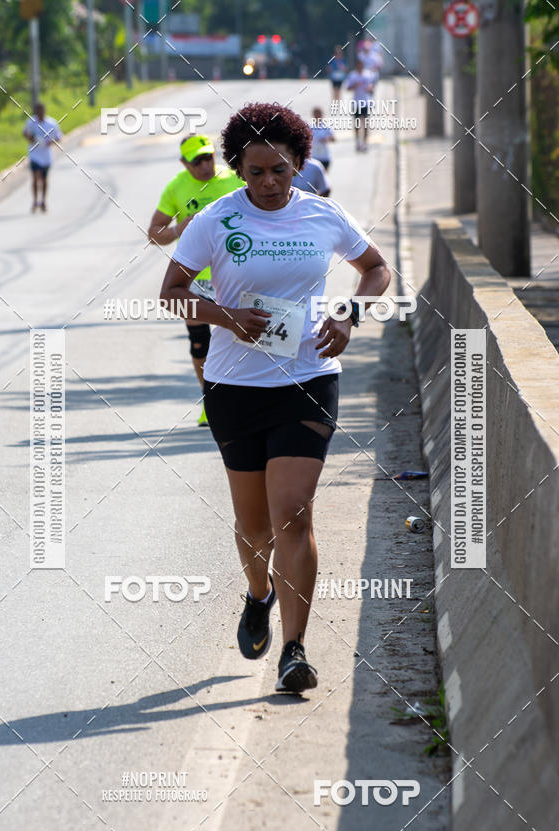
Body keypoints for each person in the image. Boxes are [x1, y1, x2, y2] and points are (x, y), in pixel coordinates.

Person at [160, 103, 391, 693]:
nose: (268, 183)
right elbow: (173, 293)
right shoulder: (214, 220)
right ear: (238, 167)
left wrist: (349, 313)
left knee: (293, 511)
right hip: (234, 386)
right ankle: (258, 593)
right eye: (256, 171)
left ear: (298, 166)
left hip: (308, 378)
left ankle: (294, 649)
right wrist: (228, 317)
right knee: (252, 522)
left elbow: (375, 268)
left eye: (280, 171)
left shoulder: (323, 214)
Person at [148, 134, 245, 425]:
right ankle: (211, 402)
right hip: (196, 280)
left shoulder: (234, 180)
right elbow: (154, 233)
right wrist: (179, 229)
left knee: (241, 336)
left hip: (235, 274)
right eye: (197, 161)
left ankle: (247, 397)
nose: (205, 165)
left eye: (208, 157)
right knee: (201, 343)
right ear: (183, 163)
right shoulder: (176, 188)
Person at [23, 102, 62, 213]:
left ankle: (43, 201)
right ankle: (35, 201)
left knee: (44, 179)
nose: (39, 113)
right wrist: (32, 138)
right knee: (35, 177)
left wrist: (50, 142)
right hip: (34, 154)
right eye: (38, 111)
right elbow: (25, 133)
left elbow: (59, 137)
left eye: (41, 111)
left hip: (46, 155)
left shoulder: (52, 123)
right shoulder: (31, 122)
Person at [343, 59, 376, 152]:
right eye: (359, 65)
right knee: (357, 124)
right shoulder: (353, 75)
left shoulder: (368, 74)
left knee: (365, 123)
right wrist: (355, 85)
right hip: (356, 102)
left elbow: (371, 87)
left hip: (366, 102)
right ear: (356, 65)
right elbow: (348, 88)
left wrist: (369, 88)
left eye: (362, 64)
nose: (360, 66)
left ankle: (365, 143)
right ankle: (358, 142)